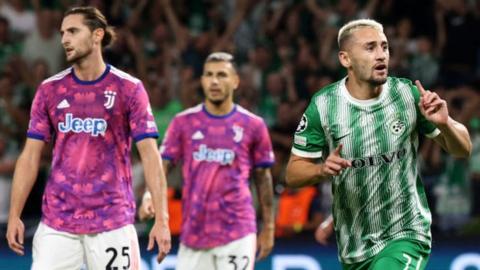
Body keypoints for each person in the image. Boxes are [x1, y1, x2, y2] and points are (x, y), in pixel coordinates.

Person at [285, 19, 472, 270]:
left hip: (406, 234)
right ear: (345, 59)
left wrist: (446, 122)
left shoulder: (408, 95)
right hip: (354, 247)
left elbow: (463, 149)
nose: (381, 55)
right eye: (370, 48)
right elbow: (293, 173)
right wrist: (321, 170)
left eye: (384, 47)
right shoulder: (324, 106)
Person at [5, 6, 171, 269]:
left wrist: (162, 219)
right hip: (58, 224)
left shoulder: (129, 89)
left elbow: (150, 154)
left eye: (72, 31)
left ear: (97, 35)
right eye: (62, 33)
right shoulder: (50, 90)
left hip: (112, 222)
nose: (64, 39)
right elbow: (30, 156)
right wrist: (15, 214)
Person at [139, 52, 276, 270]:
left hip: (237, 231)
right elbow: (163, 164)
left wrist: (268, 227)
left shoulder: (253, 125)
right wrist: (149, 194)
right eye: (209, 75)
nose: (214, 81)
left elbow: (263, 177)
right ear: (202, 81)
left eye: (222, 75)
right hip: (193, 233)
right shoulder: (183, 122)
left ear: (235, 81)